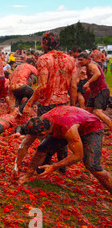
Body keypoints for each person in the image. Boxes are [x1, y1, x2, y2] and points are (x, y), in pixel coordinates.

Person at [15, 105, 112, 196]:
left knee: (93, 166)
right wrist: (16, 166)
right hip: (70, 121)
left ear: (44, 133)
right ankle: (28, 175)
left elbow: (78, 155)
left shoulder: (68, 129)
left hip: (91, 128)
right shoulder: (42, 121)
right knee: (42, 148)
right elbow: (26, 144)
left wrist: (54, 166)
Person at [21, 31, 77, 171]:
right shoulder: (70, 59)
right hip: (64, 102)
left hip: (48, 104)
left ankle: (43, 165)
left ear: (45, 43)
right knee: (63, 133)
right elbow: (74, 86)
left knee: (45, 134)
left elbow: (42, 85)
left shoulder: (44, 59)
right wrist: (73, 106)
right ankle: (62, 165)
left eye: (41, 42)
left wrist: (29, 104)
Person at [77, 52, 112, 130]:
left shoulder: (91, 65)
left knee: (97, 112)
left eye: (81, 60)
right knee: (87, 112)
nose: (80, 62)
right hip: (95, 92)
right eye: (79, 60)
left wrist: (87, 83)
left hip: (101, 91)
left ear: (87, 59)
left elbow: (97, 74)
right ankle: (90, 129)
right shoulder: (88, 65)